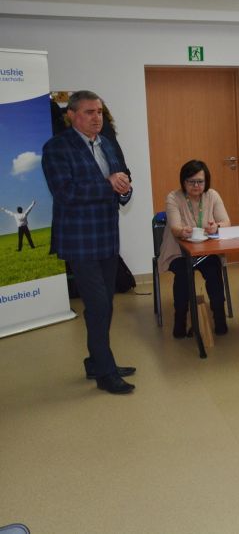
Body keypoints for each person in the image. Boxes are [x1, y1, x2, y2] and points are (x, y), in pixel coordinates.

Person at [41, 90, 135, 395]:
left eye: (99, 112)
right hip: (79, 239)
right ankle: (105, 371)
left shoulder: (107, 143)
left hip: (107, 235)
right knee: (97, 304)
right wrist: (107, 184)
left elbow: (122, 180)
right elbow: (65, 192)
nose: (97, 118)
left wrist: (124, 190)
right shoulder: (56, 147)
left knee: (105, 304)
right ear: (71, 115)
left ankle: (96, 361)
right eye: (89, 112)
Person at [158, 160, 231, 339]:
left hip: (206, 251)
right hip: (179, 251)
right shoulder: (174, 197)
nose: (196, 186)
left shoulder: (212, 195)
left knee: (214, 270)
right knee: (184, 273)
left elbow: (226, 222)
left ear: (206, 181)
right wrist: (182, 231)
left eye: (200, 181)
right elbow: (175, 228)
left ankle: (220, 319)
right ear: (183, 181)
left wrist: (216, 226)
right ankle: (180, 321)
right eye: (191, 181)